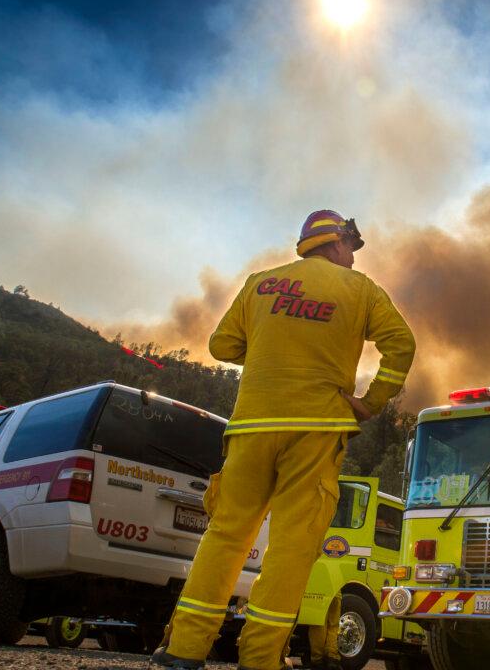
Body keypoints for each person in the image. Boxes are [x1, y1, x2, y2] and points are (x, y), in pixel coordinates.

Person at [152, 210, 415, 670]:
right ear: (335, 244)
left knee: (226, 535)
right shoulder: (361, 291)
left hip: (251, 428)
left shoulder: (260, 284)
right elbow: (401, 345)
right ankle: (259, 658)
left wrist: (274, 344)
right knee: (292, 546)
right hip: (316, 431)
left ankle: (183, 650)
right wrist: (372, 401)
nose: (353, 258)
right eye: (350, 249)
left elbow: (221, 346)